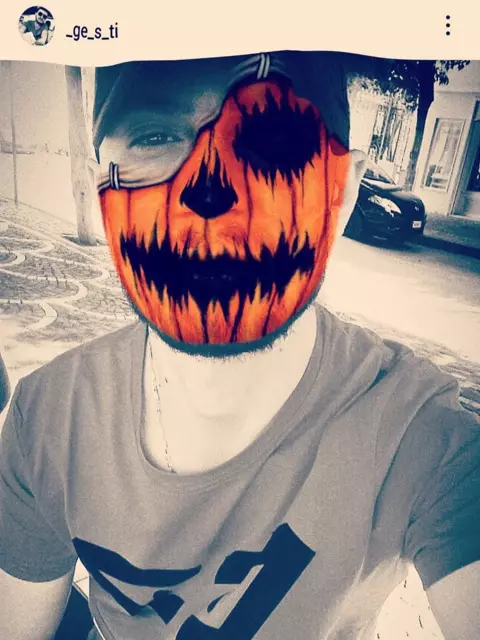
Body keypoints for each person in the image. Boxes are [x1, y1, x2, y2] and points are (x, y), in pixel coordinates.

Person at [0, 51, 479, 640]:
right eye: (155, 137)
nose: (209, 192)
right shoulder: (49, 418)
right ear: (98, 176)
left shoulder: (418, 434)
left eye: (272, 142)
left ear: (347, 188)